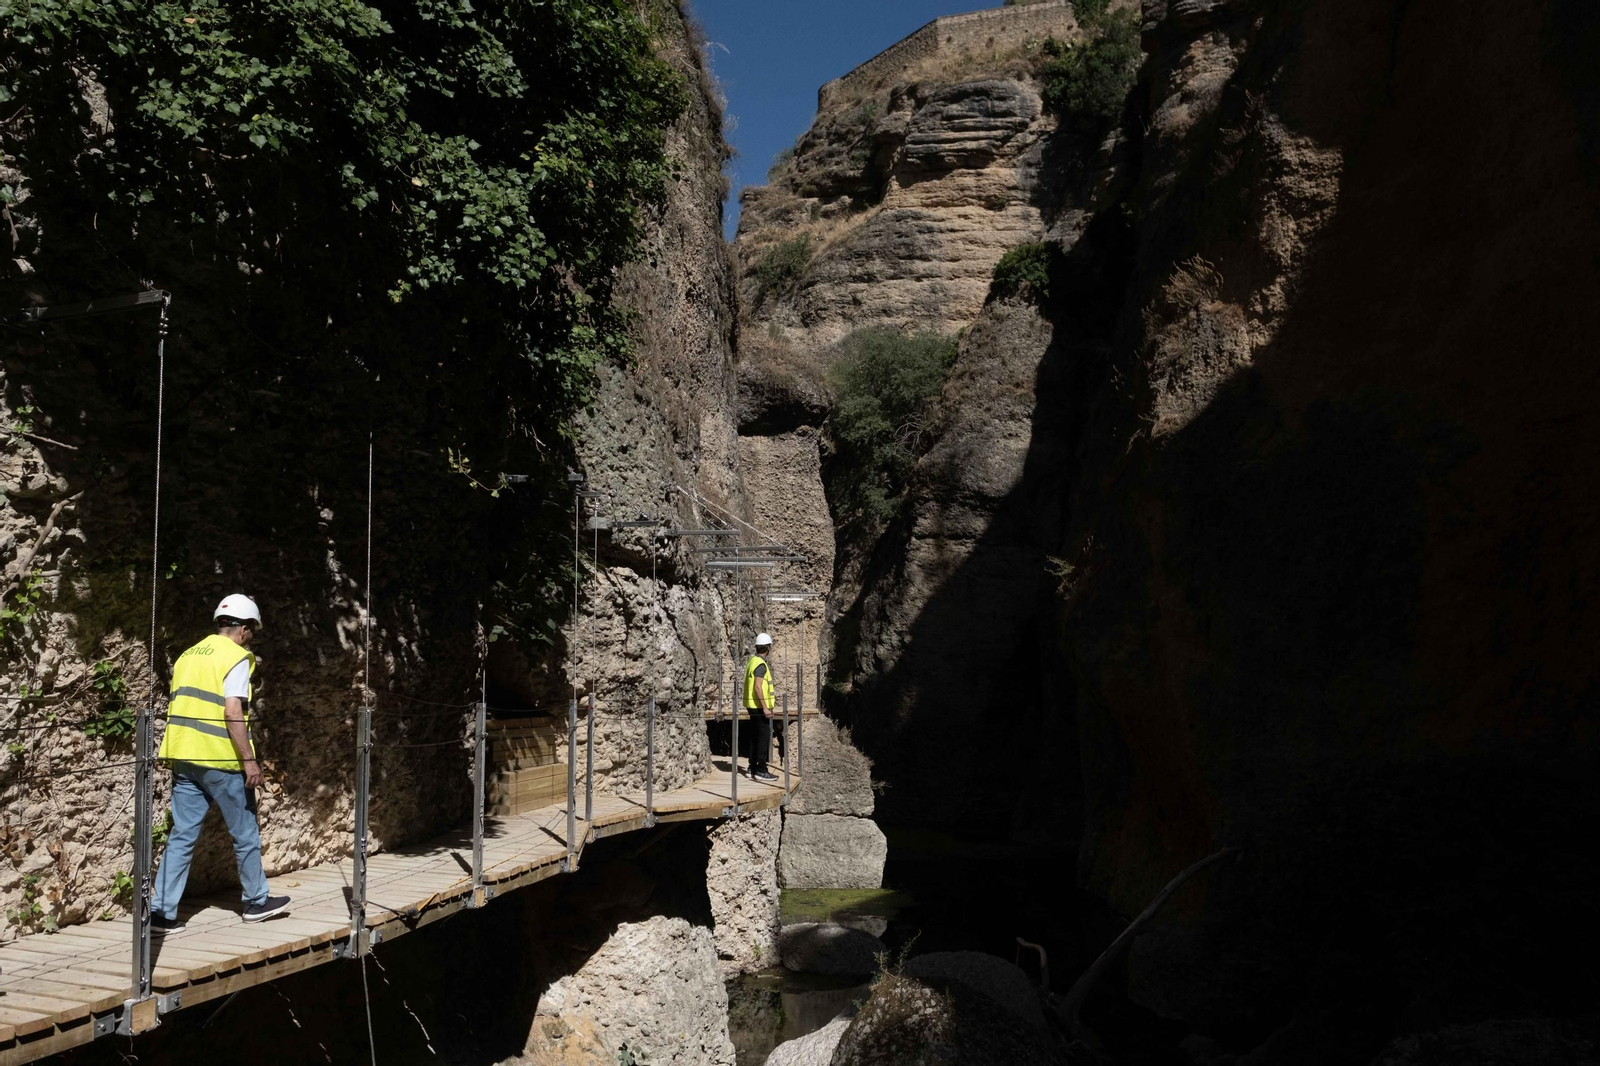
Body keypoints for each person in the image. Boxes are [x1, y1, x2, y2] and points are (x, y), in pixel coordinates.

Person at [149, 594, 291, 933]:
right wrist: (249, 762)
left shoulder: (187, 655)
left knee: (182, 836)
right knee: (245, 833)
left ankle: (161, 913)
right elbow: (232, 712)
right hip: (221, 759)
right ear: (243, 629)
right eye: (252, 631)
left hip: (184, 757)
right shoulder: (236, 657)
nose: (250, 638)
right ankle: (256, 902)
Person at [743, 633, 779, 781]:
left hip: (752, 705)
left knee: (755, 735)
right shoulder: (760, 664)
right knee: (763, 736)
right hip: (758, 706)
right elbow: (758, 687)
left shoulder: (752, 661)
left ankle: (752, 767)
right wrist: (765, 707)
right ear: (768, 647)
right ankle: (761, 769)